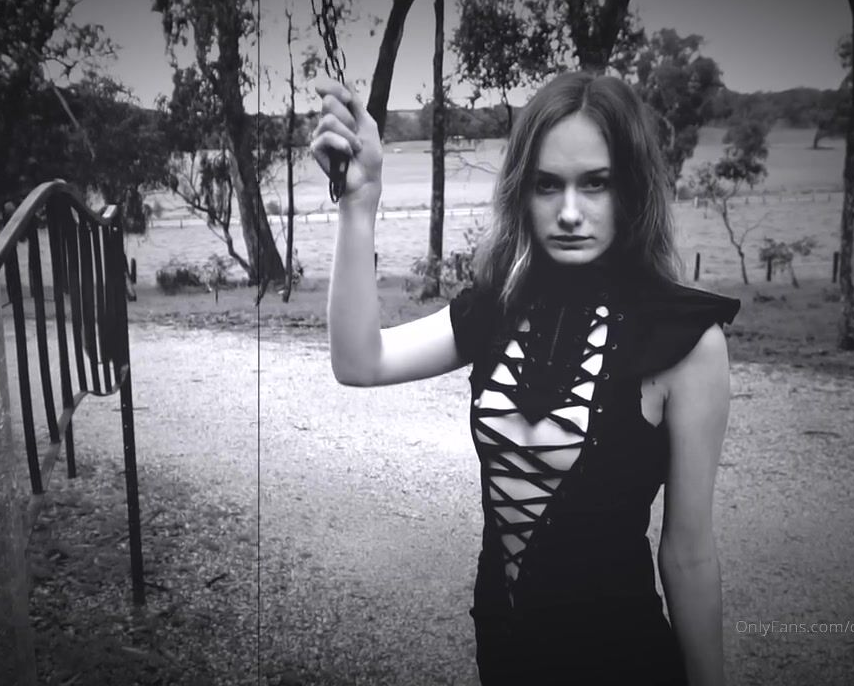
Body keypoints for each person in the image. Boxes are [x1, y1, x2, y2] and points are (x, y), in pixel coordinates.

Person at [311, 71, 739, 686]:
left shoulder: (685, 340)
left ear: (632, 188)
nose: (570, 213)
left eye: (596, 183)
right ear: (522, 191)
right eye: (547, 185)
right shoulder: (497, 308)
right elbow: (359, 361)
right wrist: (360, 202)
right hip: (504, 656)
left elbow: (689, 553)